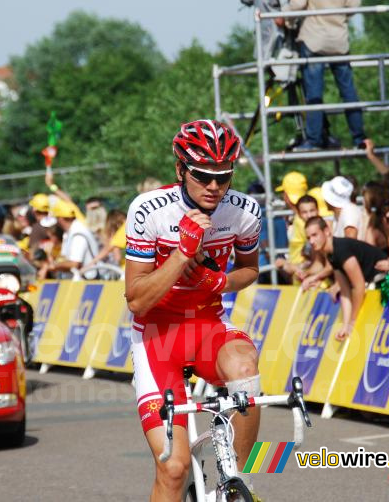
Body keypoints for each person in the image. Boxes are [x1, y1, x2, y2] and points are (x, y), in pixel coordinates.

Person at [124, 119, 262, 500]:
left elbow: (250, 269)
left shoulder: (244, 211)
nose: (215, 186)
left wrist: (222, 283)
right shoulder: (149, 210)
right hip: (157, 339)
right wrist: (182, 252)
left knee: (246, 372)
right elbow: (136, 299)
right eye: (202, 176)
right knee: (173, 468)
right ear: (180, 170)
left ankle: (241, 482)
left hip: (209, 327)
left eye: (224, 176)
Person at [282, 0, 367, 150]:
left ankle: (314, 140)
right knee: (348, 91)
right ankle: (359, 138)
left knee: (314, 93)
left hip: (313, 39)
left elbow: (297, 4)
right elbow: (353, 5)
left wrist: (283, 15)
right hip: (339, 40)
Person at [305, 216, 389, 340]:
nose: (312, 241)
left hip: (387, 280)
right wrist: (345, 326)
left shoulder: (341, 249)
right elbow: (345, 291)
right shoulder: (331, 254)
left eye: (315, 235)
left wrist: (352, 322)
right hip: (374, 282)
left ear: (327, 231)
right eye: (308, 238)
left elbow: (359, 286)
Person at [48, 200, 100, 279]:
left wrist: (53, 266)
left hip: (89, 282)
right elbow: (66, 258)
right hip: (82, 282)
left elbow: (74, 264)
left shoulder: (78, 234)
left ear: (60, 219)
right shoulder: (70, 232)